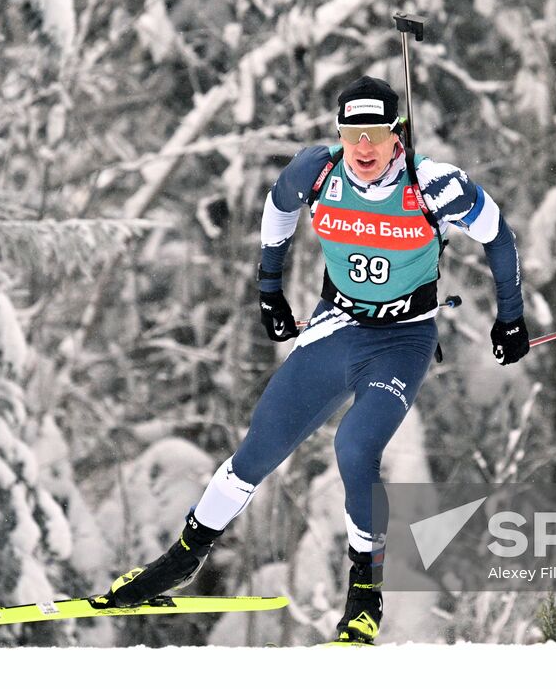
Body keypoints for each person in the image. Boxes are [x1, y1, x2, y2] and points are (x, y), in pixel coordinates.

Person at [103, 75, 527, 644]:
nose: (365, 147)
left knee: (354, 446)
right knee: (257, 449)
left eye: (376, 133)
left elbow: (498, 235)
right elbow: (278, 208)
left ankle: (364, 594)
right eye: (354, 133)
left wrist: (511, 317)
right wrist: (270, 290)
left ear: (396, 133)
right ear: (341, 134)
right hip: (335, 326)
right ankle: (182, 558)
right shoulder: (318, 170)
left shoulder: (434, 186)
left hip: (401, 342)